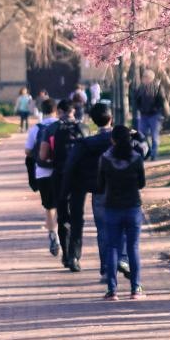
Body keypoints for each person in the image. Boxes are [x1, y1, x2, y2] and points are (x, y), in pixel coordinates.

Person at [60, 103, 115, 273]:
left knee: (101, 229)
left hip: (92, 186)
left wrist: (63, 191)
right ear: (111, 118)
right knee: (121, 227)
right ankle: (121, 260)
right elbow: (144, 150)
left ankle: (105, 266)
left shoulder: (86, 143)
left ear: (92, 120)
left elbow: (70, 165)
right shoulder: (120, 138)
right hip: (118, 187)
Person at [97, 123, 147, 300]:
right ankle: (136, 289)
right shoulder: (136, 158)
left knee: (112, 248)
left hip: (112, 207)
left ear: (113, 140)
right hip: (133, 206)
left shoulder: (105, 158)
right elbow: (142, 183)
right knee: (133, 248)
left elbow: (100, 185)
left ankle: (112, 290)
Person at [24, 99, 68, 256]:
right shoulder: (63, 126)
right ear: (57, 110)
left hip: (43, 172)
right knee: (63, 205)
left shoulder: (36, 128)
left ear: (42, 110)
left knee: (49, 206)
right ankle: (65, 235)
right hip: (62, 171)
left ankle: (53, 234)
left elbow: (28, 151)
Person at [48, 104, 87, 270]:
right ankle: (74, 256)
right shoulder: (84, 128)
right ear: (74, 112)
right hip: (79, 177)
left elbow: (43, 154)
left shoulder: (52, 128)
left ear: (60, 111)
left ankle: (65, 254)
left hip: (59, 175)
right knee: (77, 216)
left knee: (63, 216)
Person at [137, 83, 166, 160]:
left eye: (146, 76)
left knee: (154, 135)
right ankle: (148, 151)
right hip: (143, 115)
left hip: (155, 115)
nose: (144, 78)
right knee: (142, 135)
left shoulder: (157, 87)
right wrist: (140, 108)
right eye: (144, 76)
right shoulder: (141, 88)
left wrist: (156, 109)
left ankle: (154, 154)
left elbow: (161, 99)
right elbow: (137, 99)